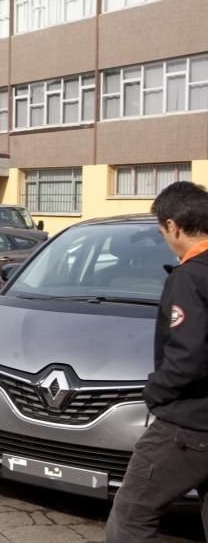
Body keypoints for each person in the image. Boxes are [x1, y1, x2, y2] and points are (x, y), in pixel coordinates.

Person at [105, 181, 208, 542]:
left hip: (189, 423)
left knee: (131, 515)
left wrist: (156, 392)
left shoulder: (190, 277)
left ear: (173, 227)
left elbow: (187, 357)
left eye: (162, 230)